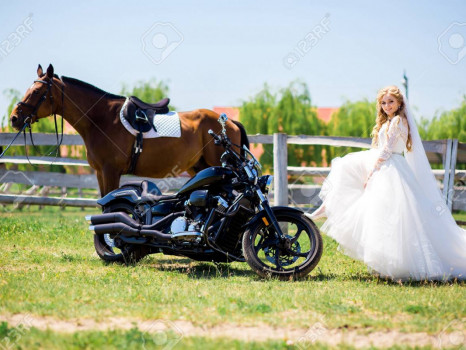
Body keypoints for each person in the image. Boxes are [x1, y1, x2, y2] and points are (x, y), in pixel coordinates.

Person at [308, 86, 466, 281]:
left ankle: (392, 263)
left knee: (389, 217)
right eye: (383, 103)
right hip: (387, 164)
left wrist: (372, 172)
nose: (387, 106)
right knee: (350, 175)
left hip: (390, 167)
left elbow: (387, 150)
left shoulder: (399, 120)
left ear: (400, 103)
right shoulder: (389, 121)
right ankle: (325, 208)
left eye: (391, 102)